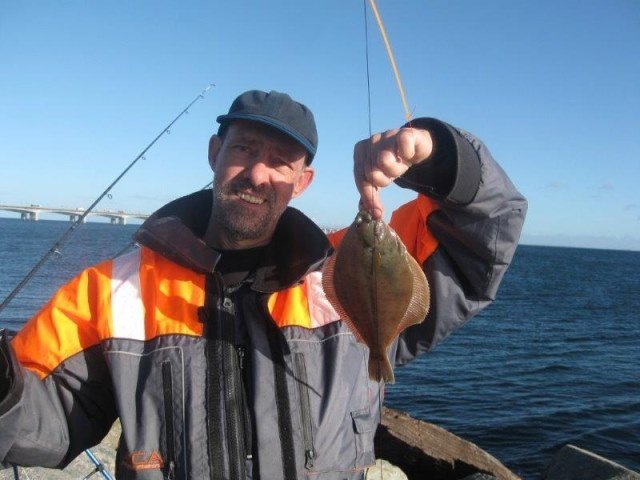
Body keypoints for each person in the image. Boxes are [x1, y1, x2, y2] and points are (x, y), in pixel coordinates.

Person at [0, 90, 527, 479]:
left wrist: (437, 155)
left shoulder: (342, 268)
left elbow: (485, 234)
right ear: (214, 153)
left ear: (303, 182)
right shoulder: (109, 292)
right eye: (244, 149)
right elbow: (47, 419)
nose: (257, 173)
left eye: (281, 162)